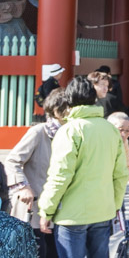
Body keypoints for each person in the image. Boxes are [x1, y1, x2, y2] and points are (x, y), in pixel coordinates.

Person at [38, 76, 128, 258]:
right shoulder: (110, 129)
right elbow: (120, 174)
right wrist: (115, 204)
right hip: (103, 210)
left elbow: (60, 175)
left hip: (72, 214)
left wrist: (46, 210)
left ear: (69, 100)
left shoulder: (69, 130)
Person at [4, 88, 69, 258]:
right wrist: (23, 186)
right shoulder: (39, 131)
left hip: (61, 209)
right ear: (57, 109)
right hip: (34, 206)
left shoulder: (71, 134)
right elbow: (12, 160)